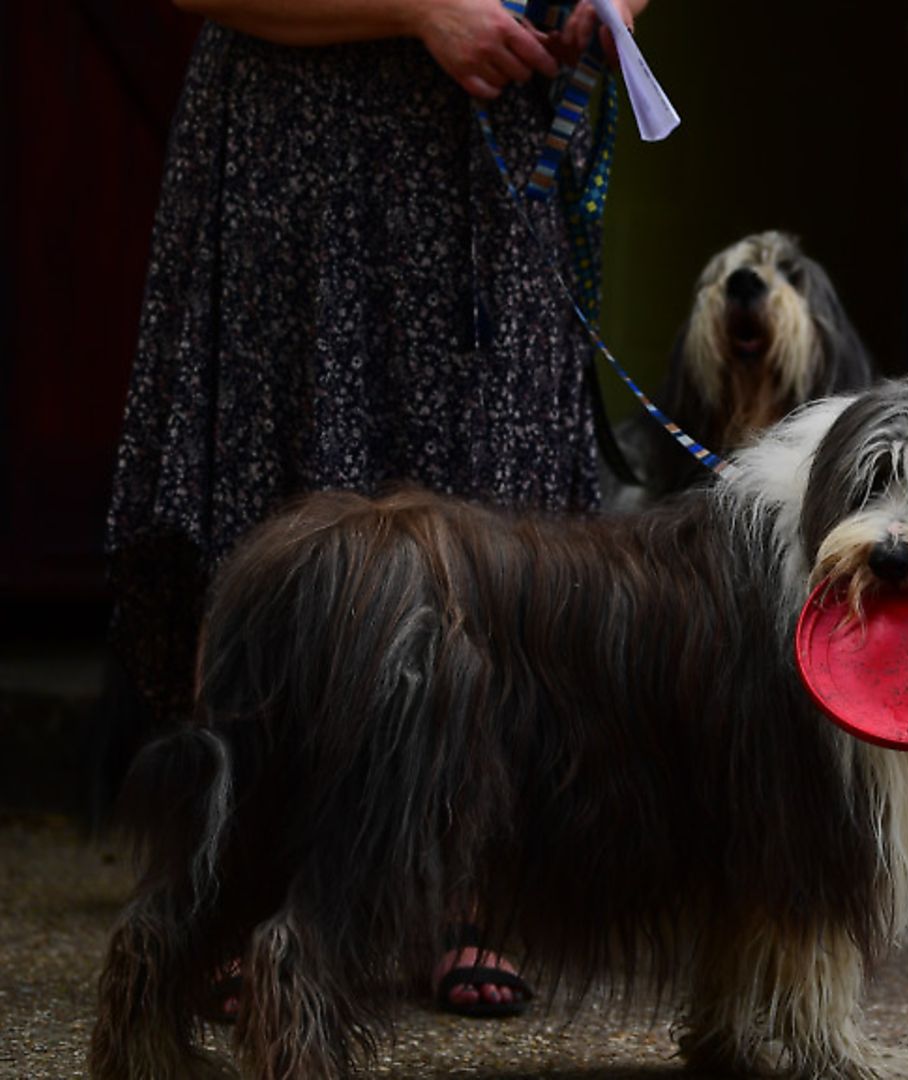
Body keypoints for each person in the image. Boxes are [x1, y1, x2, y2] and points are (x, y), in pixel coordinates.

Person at [103, 0, 650, 1019]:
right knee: (278, 512)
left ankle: (460, 892)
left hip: (495, 172)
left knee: (496, 514)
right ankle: (233, 897)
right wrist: (416, 8)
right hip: (301, 156)